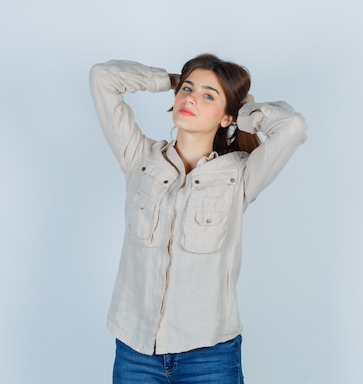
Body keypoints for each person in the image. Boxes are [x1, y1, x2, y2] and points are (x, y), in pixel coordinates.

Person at [89, 54, 307, 383]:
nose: (191, 98)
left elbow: (293, 127)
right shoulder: (139, 157)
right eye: (188, 90)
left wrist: (242, 110)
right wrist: (173, 80)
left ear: (226, 116)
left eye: (209, 95)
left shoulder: (240, 174)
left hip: (209, 355)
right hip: (136, 351)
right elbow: (102, 77)